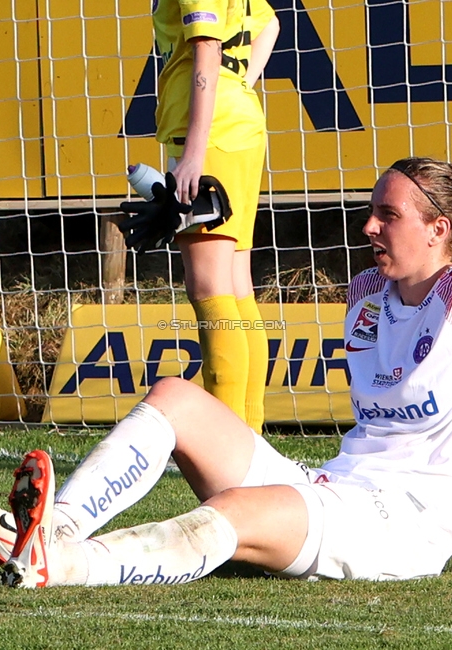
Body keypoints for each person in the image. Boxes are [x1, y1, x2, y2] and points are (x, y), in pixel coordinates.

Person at [0, 157, 452, 587]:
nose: (368, 226)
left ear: (439, 228)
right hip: (337, 486)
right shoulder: (366, 294)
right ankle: (52, 528)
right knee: (177, 396)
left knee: (231, 515)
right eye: (371, 212)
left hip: (402, 525)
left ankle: (60, 568)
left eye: (386, 215)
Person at [149, 0, 279, 433]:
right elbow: (270, 24)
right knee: (236, 288)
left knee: (209, 290)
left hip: (210, 135)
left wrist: (194, 152)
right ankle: (250, 439)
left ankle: (230, 449)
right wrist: (239, 86)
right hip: (239, 127)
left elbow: (206, 47)